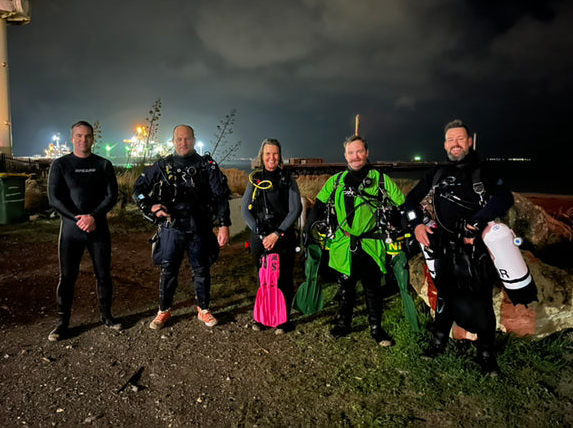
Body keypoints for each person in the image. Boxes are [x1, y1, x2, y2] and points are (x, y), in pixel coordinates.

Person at [404, 119, 514, 375]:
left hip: (475, 249)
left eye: (460, 139)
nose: (456, 144)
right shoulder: (437, 173)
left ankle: (487, 357)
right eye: (451, 140)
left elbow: (503, 198)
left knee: (481, 301)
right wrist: (417, 224)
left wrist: (475, 223)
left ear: (470, 141)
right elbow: (410, 199)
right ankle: (438, 343)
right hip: (443, 246)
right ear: (445, 144)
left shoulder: (483, 171)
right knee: (444, 295)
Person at [304, 135, 405, 346]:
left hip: (371, 243)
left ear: (366, 153)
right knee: (346, 287)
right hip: (343, 243)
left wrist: (402, 225)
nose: (355, 156)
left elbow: (402, 205)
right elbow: (319, 205)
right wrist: (310, 230)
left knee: (372, 288)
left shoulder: (381, 179)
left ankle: (377, 329)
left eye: (359, 151)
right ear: (345, 155)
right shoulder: (337, 181)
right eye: (351, 152)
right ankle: (343, 323)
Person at [132, 124, 231, 330]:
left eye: (187, 139)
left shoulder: (206, 165)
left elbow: (221, 196)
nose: (183, 143)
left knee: (201, 270)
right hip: (172, 227)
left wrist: (223, 225)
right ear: (173, 141)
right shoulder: (162, 165)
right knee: (168, 270)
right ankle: (164, 310)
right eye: (179, 139)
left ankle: (203, 309)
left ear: (194, 140)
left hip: (200, 227)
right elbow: (138, 190)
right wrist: (150, 206)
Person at [47, 121, 120, 342]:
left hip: (98, 228)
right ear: (72, 138)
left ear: (93, 138)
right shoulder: (60, 165)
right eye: (78, 136)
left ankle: (107, 316)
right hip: (71, 230)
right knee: (67, 276)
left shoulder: (103, 164)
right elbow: (54, 198)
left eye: (87, 136)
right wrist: (77, 218)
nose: (83, 140)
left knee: (103, 274)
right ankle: (62, 323)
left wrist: (93, 216)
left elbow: (112, 196)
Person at [242, 138, 302, 334]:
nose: (272, 157)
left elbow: (295, 209)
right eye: (268, 153)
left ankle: (283, 319)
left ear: (280, 156)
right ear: (262, 156)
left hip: (283, 236)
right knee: (263, 277)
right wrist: (260, 233)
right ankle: (263, 317)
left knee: (284, 278)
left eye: (275, 154)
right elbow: (245, 210)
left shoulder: (287, 178)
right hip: (260, 236)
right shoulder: (255, 179)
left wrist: (277, 233)